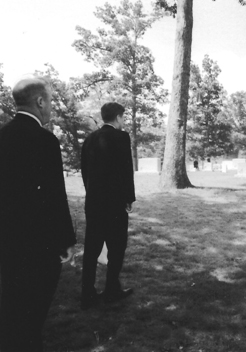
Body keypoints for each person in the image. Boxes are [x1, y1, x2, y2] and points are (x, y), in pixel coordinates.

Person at [0, 76, 76, 352]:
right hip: (39, 244)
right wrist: (65, 240)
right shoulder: (44, 140)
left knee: (13, 302)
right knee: (34, 308)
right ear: (40, 102)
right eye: (50, 100)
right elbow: (54, 196)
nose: (50, 106)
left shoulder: (0, 138)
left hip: (8, 240)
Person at [80, 102, 135, 310]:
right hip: (113, 205)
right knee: (117, 247)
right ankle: (112, 290)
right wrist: (128, 198)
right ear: (118, 117)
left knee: (91, 249)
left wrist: (91, 192)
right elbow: (125, 169)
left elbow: (85, 171)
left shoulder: (89, 139)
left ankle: (87, 294)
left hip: (93, 203)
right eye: (123, 118)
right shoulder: (121, 137)